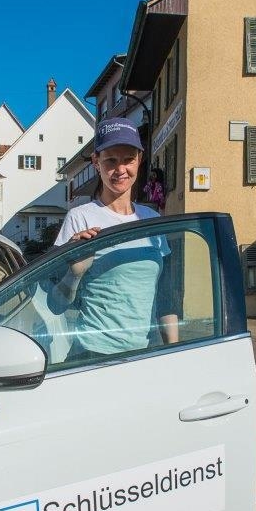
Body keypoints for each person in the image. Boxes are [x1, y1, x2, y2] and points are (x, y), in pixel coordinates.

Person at [50, 117, 178, 361]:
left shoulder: (152, 220)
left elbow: (166, 297)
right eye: (111, 160)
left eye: (128, 159)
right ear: (96, 163)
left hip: (144, 355)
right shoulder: (79, 219)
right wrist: (74, 273)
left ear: (139, 160)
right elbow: (56, 304)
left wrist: (175, 351)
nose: (120, 170)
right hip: (92, 355)